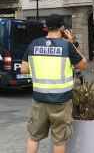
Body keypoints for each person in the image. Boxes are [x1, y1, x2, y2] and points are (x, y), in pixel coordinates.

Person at [21, 14, 87, 153]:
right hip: (61, 101)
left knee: (33, 137)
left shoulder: (34, 44)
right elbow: (82, 65)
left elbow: (24, 69)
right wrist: (72, 42)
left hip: (39, 100)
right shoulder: (67, 46)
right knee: (59, 139)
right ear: (62, 28)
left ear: (46, 27)